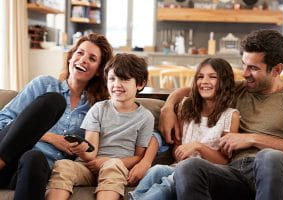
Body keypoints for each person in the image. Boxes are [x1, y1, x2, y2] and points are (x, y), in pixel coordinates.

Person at [159, 29, 283, 200]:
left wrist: (253, 139)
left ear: (276, 69)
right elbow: (193, 90)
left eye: (253, 68)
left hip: (281, 175)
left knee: (269, 156)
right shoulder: (237, 90)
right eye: (244, 64)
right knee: (189, 166)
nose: (244, 73)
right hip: (237, 173)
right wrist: (167, 107)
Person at [0, 33, 113, 200]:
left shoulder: (96, 108)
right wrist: (51, 138)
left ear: (98, 71)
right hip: (7, 154)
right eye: (79, 53)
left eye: (92, 58)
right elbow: (3, 121)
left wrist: (82, 150)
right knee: (54, 101)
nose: (83, 60)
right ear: (70, 57)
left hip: (30, 171)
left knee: (34, 158)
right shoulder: (43, 85)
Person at [46, 53, 155, 200]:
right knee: (63, 165)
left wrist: (109, 162)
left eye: (124, 79)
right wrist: (82, 149)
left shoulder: (146, 117)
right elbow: (91, 152)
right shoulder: (98, 109)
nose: (116, 84)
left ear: (140, 84)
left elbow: (138, 156)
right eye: (112, 79)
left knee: (113, 166)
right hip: (88, 167)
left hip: (116, 168)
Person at [129, 58, 240, 200]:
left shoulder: (230, 116)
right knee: (156, 170)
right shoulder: (186, 106)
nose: (204, 81)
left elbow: (224, 162)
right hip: (178, 167)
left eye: (212, 77)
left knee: (169, 182)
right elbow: (177, 149)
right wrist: (181, 152)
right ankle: (134, 197)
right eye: (200, 77)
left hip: (205, 174)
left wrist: (198, 147)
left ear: (225, 82)